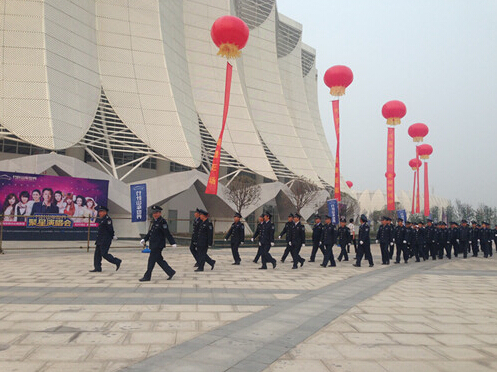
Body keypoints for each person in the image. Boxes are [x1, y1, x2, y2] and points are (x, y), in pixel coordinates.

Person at [139, 205, 177, 280]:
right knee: (159, 260)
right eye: (154, 213)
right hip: (153, 244)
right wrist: (144, 239)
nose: (155, 215)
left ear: (160, 213)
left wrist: (172, 242)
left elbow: (167, 233)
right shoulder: (155, 221)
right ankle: (170, 272)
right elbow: (150, 232)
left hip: (158, 245)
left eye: (156, 213)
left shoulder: (162, 222)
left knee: (151, 261)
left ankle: (147, 276)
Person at [89, 206, 121, 273]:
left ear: (105, 212)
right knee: (97, 254)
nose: (99, 213)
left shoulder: (107, 219)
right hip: (100, 239)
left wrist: (113, 235)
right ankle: (97, 268)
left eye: (101, 212)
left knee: (104, 254)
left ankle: (116, 261)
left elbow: (110, 229)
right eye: (99, 212)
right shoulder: (102, 219)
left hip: (105, 240)